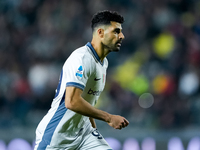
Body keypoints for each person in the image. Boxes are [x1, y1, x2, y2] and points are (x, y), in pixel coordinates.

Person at [34, 10, 129, 150]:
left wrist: (94, 130)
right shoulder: (81, 58)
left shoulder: (104, 63)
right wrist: (109, 117)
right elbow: (71, 101)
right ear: (100, 33)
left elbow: (87, 100)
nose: (122, 36)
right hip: (57, 136)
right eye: (116, 31)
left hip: (83, 133)